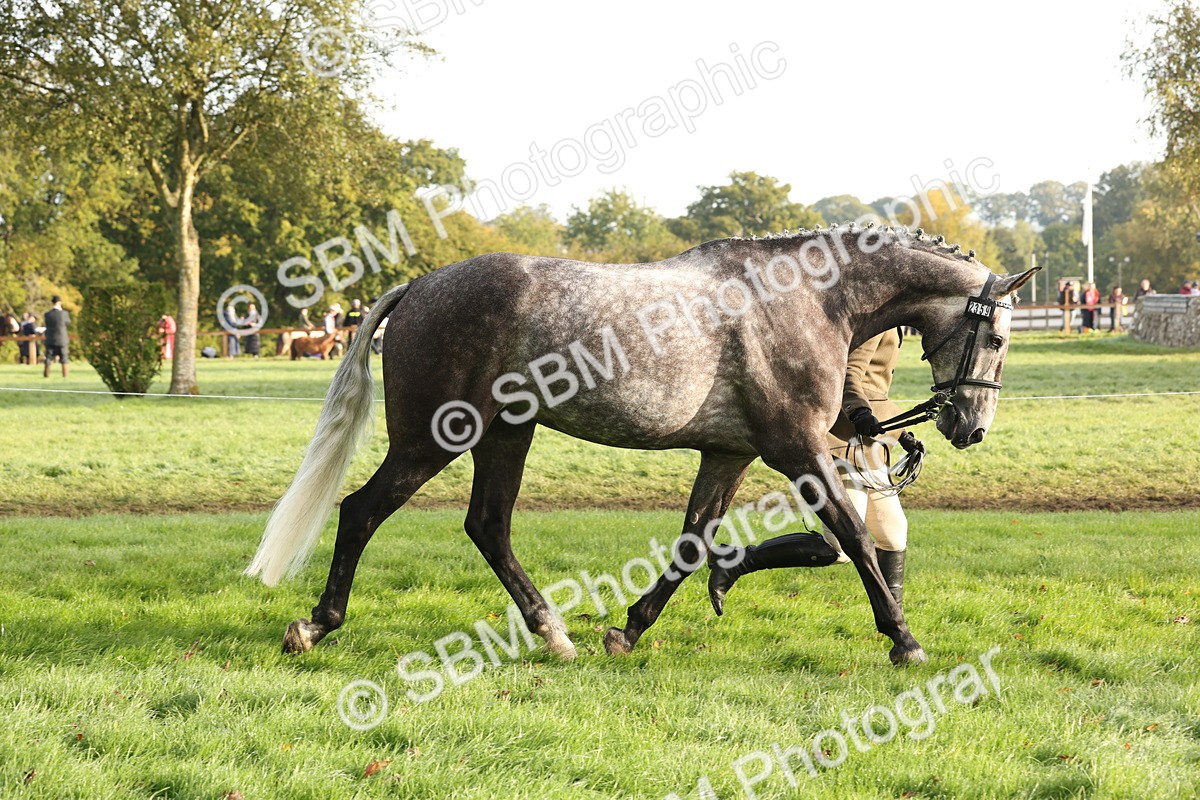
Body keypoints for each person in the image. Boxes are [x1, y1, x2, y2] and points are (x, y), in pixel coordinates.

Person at [708, 329, 924, 615]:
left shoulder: (892, 321)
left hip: (871, 444)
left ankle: (897, 623)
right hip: (844, 442)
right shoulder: (877, 324)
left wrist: (903, 435)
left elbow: (876, 390)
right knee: (840, 548)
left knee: (893, 534)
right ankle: (738, 561)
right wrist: (859, 414)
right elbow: (849, 376)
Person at [42, 295, 70, 378]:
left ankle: (46, 375)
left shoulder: (47, 314)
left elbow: (47, 324)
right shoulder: (64, 313)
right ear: (60, 303)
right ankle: (65, 375)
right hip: (62, 339)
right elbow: (67, 323)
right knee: (64, 357)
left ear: (52, 303)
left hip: (50, 338)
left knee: (48, 357)